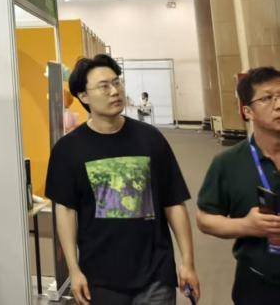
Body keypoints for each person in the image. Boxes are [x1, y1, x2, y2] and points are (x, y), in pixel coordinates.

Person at [46, 54, 200, 305]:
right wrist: (74, 270)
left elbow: (174, 202)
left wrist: (188, 262)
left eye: (116, 82)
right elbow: (66, 211)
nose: (114, 91)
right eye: (103, 86)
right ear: (83, 96)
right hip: (100, 277)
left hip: (155, 274)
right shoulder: (68, 150)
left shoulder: (151, 138)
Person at [197, 66, 280, 304]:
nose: (278, 104)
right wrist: (246, 225)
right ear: (247, 111)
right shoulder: (229, 163)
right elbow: (204, 219)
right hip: (258, 283)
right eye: (267, 98)